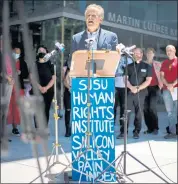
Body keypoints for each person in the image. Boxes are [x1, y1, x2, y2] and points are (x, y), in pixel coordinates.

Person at [125, 48, 152, 139]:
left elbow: (148, 81)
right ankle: (123, 132)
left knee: (138, 113)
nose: (137, 55)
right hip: (129, 92)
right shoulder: (128, 66)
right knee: (126, 113)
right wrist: (131, 87)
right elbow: (125, 79)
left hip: (141, 93)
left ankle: (136, 131)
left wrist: (138, 88)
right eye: (135, 53)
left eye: (138, 53)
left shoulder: (147, 66)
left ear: (141, 54)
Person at [30, 46, 55, 129]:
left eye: (43, 50)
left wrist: (46, 88)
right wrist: (40, 87)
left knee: (46, 109)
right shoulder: (34, 64)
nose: (41, 52)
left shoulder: (50, 64)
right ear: (37, 53)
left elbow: (54, 78)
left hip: (49, 91)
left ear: (46, 53)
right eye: (39, 50)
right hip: (36, 90)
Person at [7, 43, 29, 136]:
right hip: (8, 86)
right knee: (9, 107)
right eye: (15, 51)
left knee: (18, 108)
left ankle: (15, 127)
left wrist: (20, 72)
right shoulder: (7, 61)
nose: (16, 53)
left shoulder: (22, 62)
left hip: (18, 87)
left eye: (18, 52)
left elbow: (26, 74)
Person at [143, 48, 163, 135]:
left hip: (155, 88)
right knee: (145, 109)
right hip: (144, 88)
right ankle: (149, 128)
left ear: (154, 54)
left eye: (151, 53)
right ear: (145, 54)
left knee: (152, 107)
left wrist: (162, 85)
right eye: (148, 53)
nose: (149, 54)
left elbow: (163, 75)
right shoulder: (142, 64)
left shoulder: (158, 64)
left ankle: (155, 128)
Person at [160, 45, 177, 139]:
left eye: (170, 50)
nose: (169, 52)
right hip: (166, 90)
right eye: (167, 50)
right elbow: (161, 76)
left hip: (176, 89)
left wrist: (173, 85)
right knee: (170, 112)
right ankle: (172, 132)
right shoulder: (164, 63)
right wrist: (167, 85)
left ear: (174, 50)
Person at [115, 55, 133, 139]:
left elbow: (131, 72)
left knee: (124, 109)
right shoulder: (112, 58)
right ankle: (109, 128)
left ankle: (123, 131)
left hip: (125, 87)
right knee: (112, 108)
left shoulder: (129, 59)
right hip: (114, 86)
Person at [63, 65, 71, 137]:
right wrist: (69, 88)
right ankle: (68, 129)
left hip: (78, 92)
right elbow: (64, 81)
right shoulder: (66, 69)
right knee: (68, 111)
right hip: (68, 92)